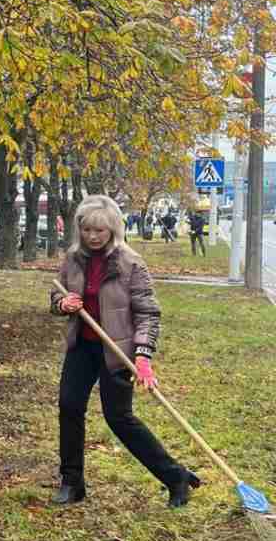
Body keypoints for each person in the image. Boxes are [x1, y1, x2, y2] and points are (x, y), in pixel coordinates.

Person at [51, 194, 199, 509]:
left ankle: (176, 477)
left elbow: (148, 313)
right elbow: (57, 293)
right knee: (69, 407)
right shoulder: (73, 258)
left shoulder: (130, 262)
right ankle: (71, 482)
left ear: (113, 230)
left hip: (118, 351)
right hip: (83, 346)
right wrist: (63, 304)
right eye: (87, 230)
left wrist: (143, 356)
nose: (92, 237)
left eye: (100, 231)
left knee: (119, 418)